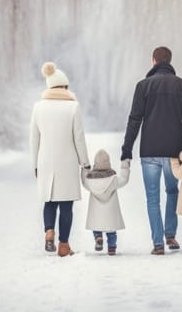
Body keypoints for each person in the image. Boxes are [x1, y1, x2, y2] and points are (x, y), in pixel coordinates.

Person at [121, 46, 182, 255]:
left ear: (153, 61)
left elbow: (134, 120)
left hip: (150, 152)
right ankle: (170, 235)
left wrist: (126, 149)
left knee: (152, 198)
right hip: (174, 151)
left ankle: (158, 243)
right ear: (169, 61)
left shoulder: (143, 86)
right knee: (172, 192)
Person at [30, 61, 90, 257]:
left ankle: (49, 232)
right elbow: (78, 137)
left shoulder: (38, 107)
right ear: (64, 86)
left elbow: (34, 139)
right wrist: (85, 162)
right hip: (68, 162)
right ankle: (64, 246)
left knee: (49, 201)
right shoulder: (73, 107)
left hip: (45, 160)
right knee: (66, 205)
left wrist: (35, 164)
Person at [81, 150, 130, 256]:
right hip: (110, 213)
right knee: (111, 230)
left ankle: (98, 237)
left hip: (96, 213)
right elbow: (124, 180)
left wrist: (85, 169)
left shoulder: (90, 180)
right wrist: (125, 166)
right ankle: (112, 247)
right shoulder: (113, 180)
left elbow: (84, 182)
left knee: (96, 227)